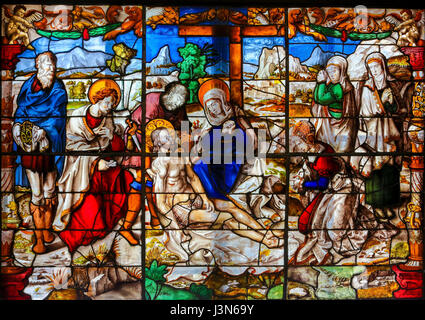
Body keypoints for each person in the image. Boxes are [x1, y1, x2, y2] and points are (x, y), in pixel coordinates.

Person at [146, 123, 281, 248]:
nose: (172, 138)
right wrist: (176, 228)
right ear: (158, 142)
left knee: (230, 206)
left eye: (171, 135)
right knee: (226, 218)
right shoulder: (159, 165)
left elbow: (193, 179)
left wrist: (205, 199)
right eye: (167, 137)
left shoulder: (181, 156)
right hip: (182, 210)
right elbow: (160, 202)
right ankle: (264, 240)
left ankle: (265, 232)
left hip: (196, 200)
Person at [289, 121, 398, 265]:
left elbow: (322, 184)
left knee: (335, 231)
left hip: (345, 189)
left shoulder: (322, 155)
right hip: (330, 192)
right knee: (318, 226)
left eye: (298, 142)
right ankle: (323, 250)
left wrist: (304, 185)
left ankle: (362, 231)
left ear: (307, 140)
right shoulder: (311, 150)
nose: (296, 146)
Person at [53, 79, 139, 252]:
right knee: (92, 211)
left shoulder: (108, 118)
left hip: (104, 166)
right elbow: (71, 147)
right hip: (81, 170)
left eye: (113, 104)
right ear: (97, 99)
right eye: (107, 102)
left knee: (127, 180)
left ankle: (124, 227)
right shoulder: (78, 118)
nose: (110, 106)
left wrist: (112, 135)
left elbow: (115, 147)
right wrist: (95, 162)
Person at [12, 51, 67, 254]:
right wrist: (18, 126)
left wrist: (45, 130)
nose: (51, 68)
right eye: (46, 64)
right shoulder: (28, 87)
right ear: (37, 65)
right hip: (30, 149)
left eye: (53, 64)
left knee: (50, 191)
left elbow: (59, 117)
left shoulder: (59, 89)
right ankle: (39, 240)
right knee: (37, 194)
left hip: (50, 146)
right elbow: (20, 111)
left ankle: (46, 231)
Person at [122, 81, 190, 229]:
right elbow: (144, 131)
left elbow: (184, 127)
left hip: (162, 148)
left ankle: (154, 219)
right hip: (138, 142)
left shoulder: (178, 107)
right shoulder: (152, 101)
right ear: (165, 95)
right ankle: (136, 224)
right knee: (144, 181)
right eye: (167, 108)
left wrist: (184, 151)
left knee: (150, 184)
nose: (171, 112)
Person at [350, 52, 402, 222]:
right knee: (375, 168)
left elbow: (397, 109)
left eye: (377, 67)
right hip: (373, 133)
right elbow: (365, 112)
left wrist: (390, 103)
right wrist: (382, 103)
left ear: (382, 67)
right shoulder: (367, 88)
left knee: (389, 168)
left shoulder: (391, 85)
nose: (374, 71)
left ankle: (388, 204)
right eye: (371, 68)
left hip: (389, 131)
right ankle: (377, 205)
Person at [311, 55, 358, 153]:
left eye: (335, 71)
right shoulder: (332, 86)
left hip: (343, 129)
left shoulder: (341, 87)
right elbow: (316, 98)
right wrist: (320, 83)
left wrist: (321, 83)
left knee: (342, 153)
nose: (331, 74)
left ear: (342, 71)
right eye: (329, 71)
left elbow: (321, 99)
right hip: (329, 126)